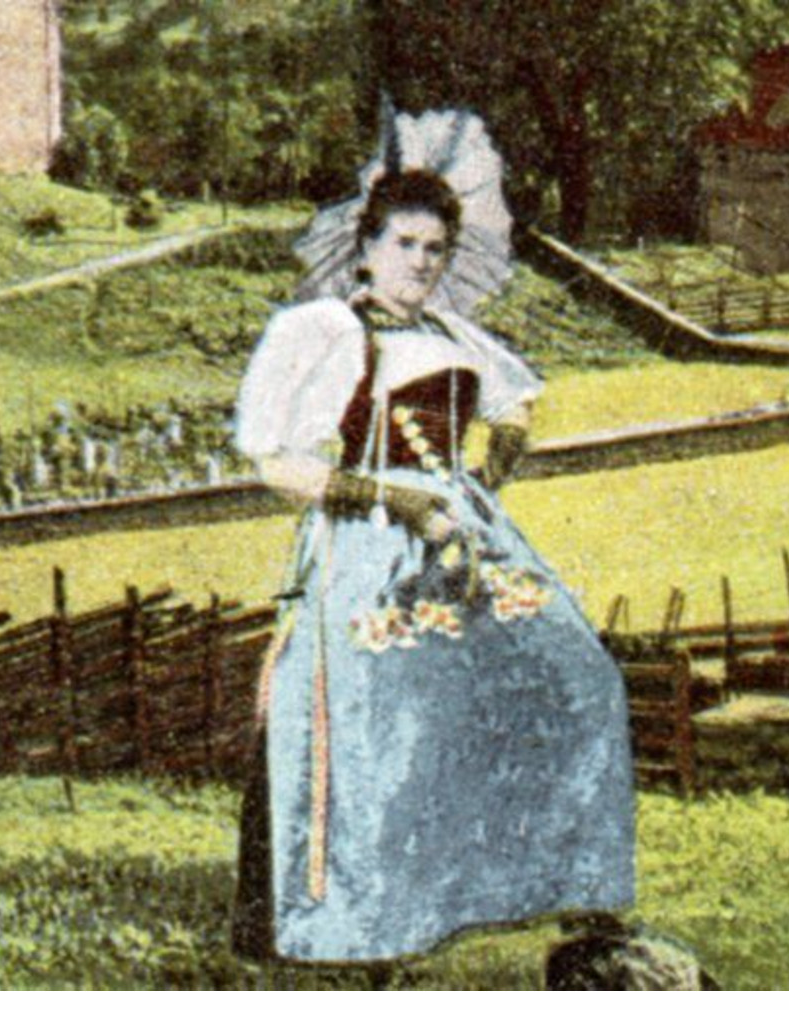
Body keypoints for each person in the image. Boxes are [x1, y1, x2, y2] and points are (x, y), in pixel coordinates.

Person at [231, 125, 635, 965]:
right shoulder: (329, 332)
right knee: (389, 721)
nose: (421, 263)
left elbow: (514, 403)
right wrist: (396, 501)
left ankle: (551, 886)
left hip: (466, 531)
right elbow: (276, 462)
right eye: (405, 244)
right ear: (367, 248)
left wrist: (491, 465)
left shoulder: (455, 337)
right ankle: (370, 918)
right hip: (368, 537)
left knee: (576, 674)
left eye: (437, 249)